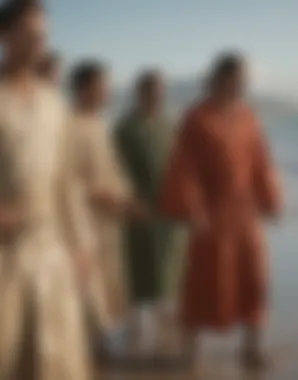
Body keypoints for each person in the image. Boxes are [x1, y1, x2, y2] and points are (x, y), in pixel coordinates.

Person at [159, 52, 282, 370]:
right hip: (210, 214)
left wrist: (270, 198)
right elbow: (182, 167)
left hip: (244, 213)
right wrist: (191, 208)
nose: (241, 85)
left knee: (254, 278)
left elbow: (261, 162)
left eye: (244, 80)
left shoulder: (249, 118)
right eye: (236, 79)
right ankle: (190, 351)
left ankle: (252, 347)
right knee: (202, 282)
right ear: (219, 78)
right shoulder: (196, 118)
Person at [0, 1, 91, 379]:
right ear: (5, 35)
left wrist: (81, 246)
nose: (40, 39)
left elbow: (66, 183)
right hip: (4, 254)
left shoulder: (54, 104)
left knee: (54, 358)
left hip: (50, 248)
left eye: (44, 32)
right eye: (31, 30)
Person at [68, 60, 139, 355]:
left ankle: (97, 345)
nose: (108, 91)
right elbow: (66, 181)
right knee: (86, 289)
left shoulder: (98, 122)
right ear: (84, 88)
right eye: (103, 85)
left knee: (107, 285)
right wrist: (105, 196)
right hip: (82, 224)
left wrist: (124, 197)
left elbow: (110, 168)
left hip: (108, 223)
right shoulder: (68, 125)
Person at [114, 70, 187, 351]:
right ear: (141, 92)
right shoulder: (125, 128)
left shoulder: (169, 125)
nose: (159, 95)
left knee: (169, 266)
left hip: (168, 209)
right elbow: (114, 170)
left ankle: (164, 323)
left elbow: (180, 164)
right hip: (138, 208)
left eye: (162, 91)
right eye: (154, 90)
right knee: (137, 267)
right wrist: (128, 201)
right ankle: (134, 328)